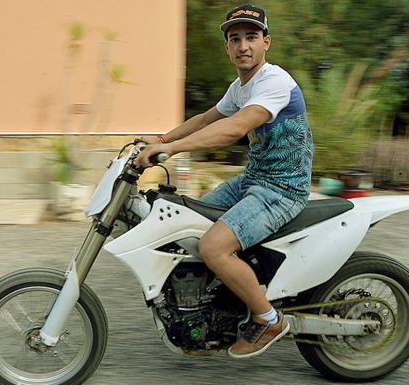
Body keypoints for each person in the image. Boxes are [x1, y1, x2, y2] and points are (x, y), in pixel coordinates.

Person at [135, 4, 314, 358]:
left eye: (251, 37)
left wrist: (171, 150)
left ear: (266, 42)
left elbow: (232, 128)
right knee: (192, 222)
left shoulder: (275, 82)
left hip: (282, 189)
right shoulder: (240, 86)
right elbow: (205, 119)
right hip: (254, 179)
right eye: (235, 39)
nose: (243, 45)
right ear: (227, 48)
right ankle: (216, 310)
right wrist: (158, 140)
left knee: (213, 246)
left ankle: (268, 319)